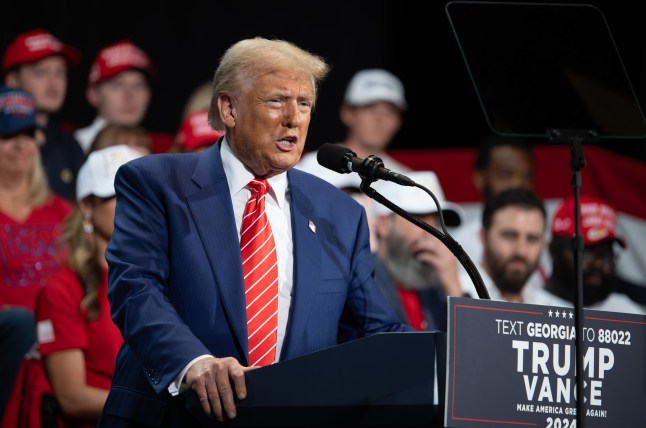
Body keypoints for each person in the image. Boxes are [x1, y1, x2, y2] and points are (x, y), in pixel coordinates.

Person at [98, 37, 412, 427]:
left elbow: (374, 329)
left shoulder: (339, 213)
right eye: (277, 101)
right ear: (228, 108)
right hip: (175, 416)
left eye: (304, 104)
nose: (293, 118)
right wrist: (193, 363)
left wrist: (452, 355)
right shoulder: (157, 183)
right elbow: (135, 288)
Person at [33, 145, 142, 427]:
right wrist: (152, 409)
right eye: (117, 193)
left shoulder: (164, 273)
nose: (132, 203)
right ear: (86, 206)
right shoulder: (63, 287)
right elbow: (72, 398)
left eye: (139, 192)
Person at [0, 86, 71, 312]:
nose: (21, 145)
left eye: (28, 134)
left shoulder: (62, 210)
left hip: (59, 330)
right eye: (8, 136)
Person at [372, 171, 464, 331]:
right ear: (384, 225)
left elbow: (472, 348)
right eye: (419, 219)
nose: (432, 232)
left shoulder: (436, 285)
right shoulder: (362, 280)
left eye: (436, 221)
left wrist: (453, 289)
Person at [2, 29, 85, 202]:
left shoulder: (69, 144)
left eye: (60, 72)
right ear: (13, 80)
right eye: (41, 72)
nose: (53, 82)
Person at [296, 67, 411, 188]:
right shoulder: (313, 166)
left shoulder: (404, 179)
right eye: (371, 108)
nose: (380, 119)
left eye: (389, 112)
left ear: (398, 122)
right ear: (348, 113)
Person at [544, 196, 646, 314]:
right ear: (554, 250)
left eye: (606, 255)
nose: (598, 264)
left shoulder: (629, 314)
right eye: (586, 252)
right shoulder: (529, 308)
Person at [460, 188, 562, 305]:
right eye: (510, 236)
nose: (521, 251)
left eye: (532, 239)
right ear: (484, 236)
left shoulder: (554, 313)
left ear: (543, 243)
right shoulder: (450, 297)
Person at [74, 40, 156, 154]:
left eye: (139, 86)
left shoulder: (163, 151)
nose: (129, 95)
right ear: (93, 93)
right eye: (118, 85)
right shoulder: (72, 148)